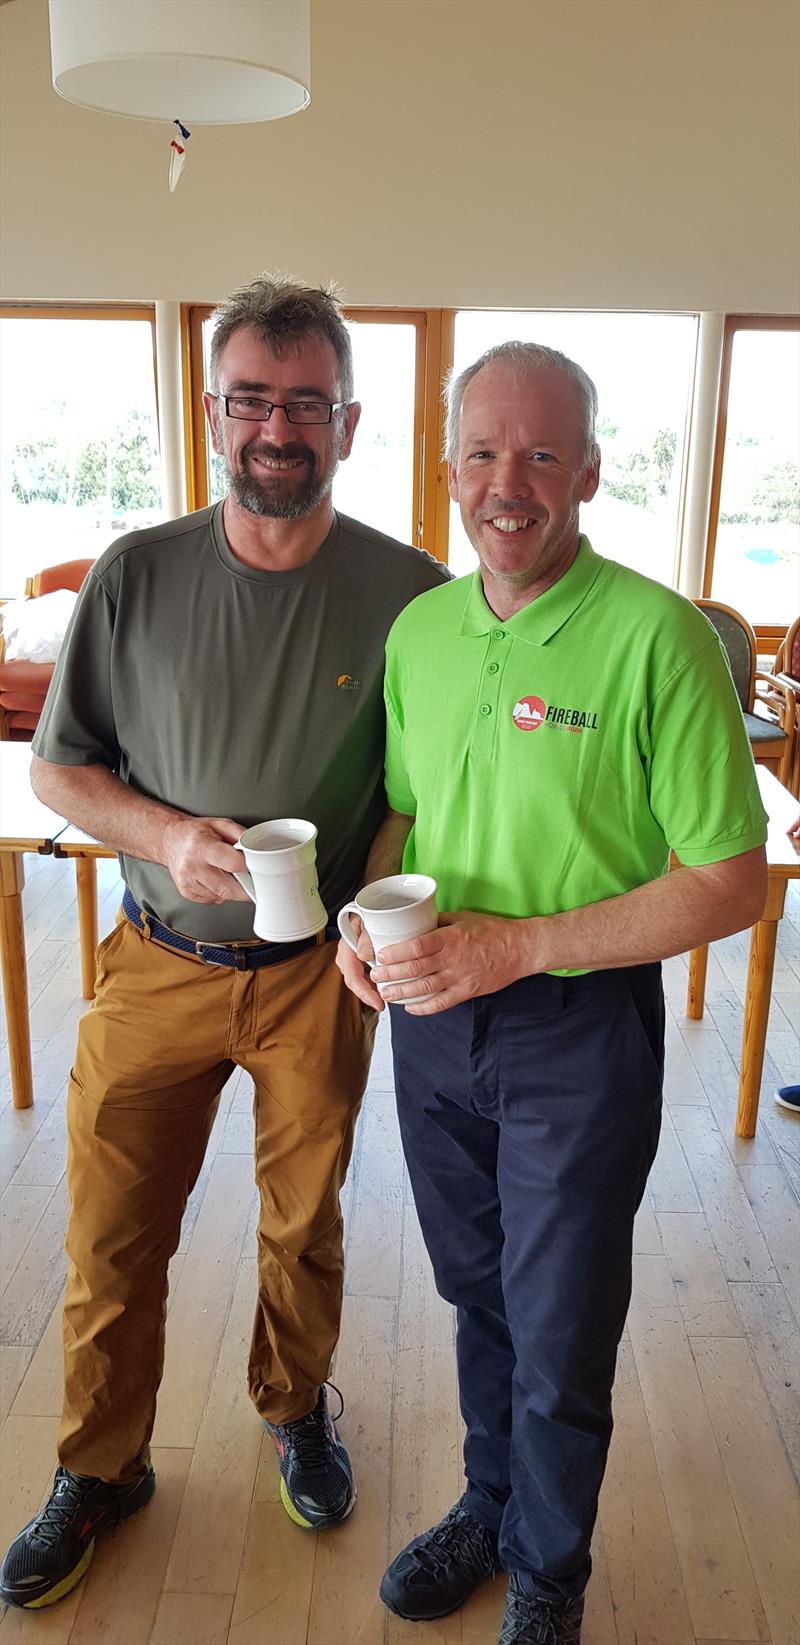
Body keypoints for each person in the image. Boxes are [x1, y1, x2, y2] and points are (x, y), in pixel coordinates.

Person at [0, 276, 447, 1611]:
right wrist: (162, 828)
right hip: (157, 960)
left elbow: (417, 795)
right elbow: (58, 769)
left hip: (318, 979)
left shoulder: (409, 594)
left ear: (349, 422)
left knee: (303, 1223)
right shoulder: (135, 572)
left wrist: (376, 908)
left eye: (306, 401)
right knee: (112, 1230)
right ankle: (100, 1461)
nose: (277, 426)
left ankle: (295, 1404)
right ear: (211, 412)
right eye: (251, 397)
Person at [337, 341, 768, 1644]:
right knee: (480, 1288)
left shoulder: (661, 637)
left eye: (538, 453)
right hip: (431, 1023)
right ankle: (490, 1499)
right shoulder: (419, 630)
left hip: (578, 1028)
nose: (505, 482)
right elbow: (406, 814)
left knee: (563, 1317)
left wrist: (514, 949)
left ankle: (550, 1569)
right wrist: (365, 921)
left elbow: (731, 880)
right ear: (449, 468)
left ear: (587, 468)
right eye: (481, 451)